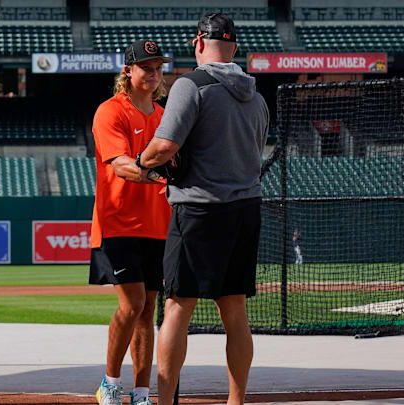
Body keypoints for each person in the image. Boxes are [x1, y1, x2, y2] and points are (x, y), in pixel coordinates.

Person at [135, 12, 269, 405]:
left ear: (198, 43)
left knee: (177, 306)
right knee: (235, 310)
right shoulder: (257, 96)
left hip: (199, 211)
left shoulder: (190, 86)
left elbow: (164, 147)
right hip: (246, 208)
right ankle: (236, 401)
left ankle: (163, 403)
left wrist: (142, 163)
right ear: (235, 48)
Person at [88, 39, 172, 405]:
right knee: (133, 303)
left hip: (157, 222)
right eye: (146, 68)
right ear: (128, 70)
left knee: (149, 308)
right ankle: (109, 382)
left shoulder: (164, 115)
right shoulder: (111, 111)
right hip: (118, 221)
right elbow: (120, 164)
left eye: (158, 68)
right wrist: (153, 173)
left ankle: (140, 391)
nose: (154, 74)